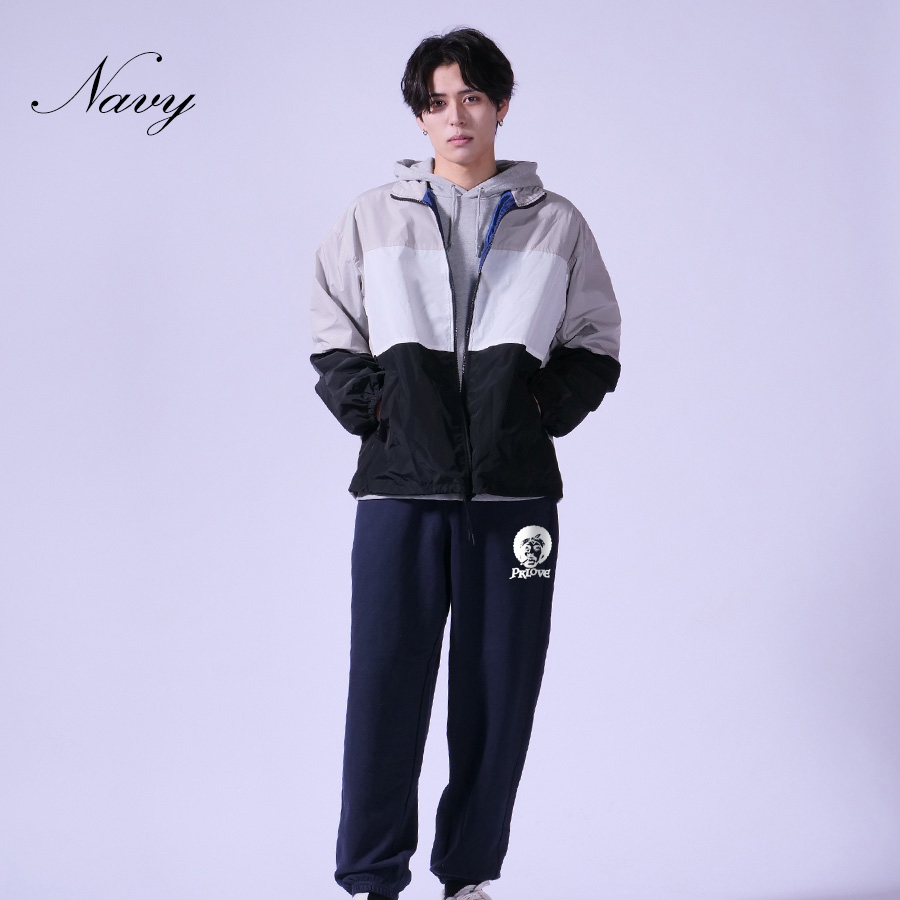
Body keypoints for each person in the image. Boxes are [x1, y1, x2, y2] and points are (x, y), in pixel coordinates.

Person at [310, 27, 621, 900]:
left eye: (473, 98)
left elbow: (596, 337)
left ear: (501, 107)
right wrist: (379, 412)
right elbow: (333, 330)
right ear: (420, 115)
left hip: (514, 499)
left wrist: (537, 412)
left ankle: (469, 878)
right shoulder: (372, 216)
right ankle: (373, 879)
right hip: (400, 491)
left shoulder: (556, 223)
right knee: (385, 686)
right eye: (439, 101)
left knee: (499, 692)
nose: (457, 117)